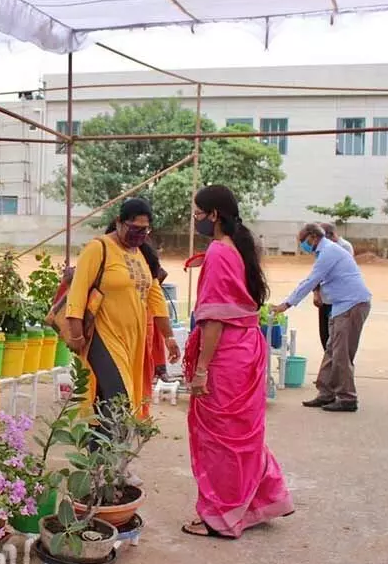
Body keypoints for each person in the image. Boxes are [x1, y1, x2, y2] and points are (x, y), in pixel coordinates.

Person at [181, 184, 294, 539]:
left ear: (214, 215)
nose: (195, 220)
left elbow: (214, 318)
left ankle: (221, 516)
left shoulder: (218, 252)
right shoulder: (241, 248)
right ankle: (258, 500)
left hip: (227, 354)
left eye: (198, 214)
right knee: (243, 434)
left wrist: (201, 370)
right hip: (249, 349)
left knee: (219, 439)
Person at [65, 198, 179, 418]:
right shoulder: (99, 248)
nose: (139, 234)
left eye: (144, 230)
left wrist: (169, 337)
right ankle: (112, 449)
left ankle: (101, 449)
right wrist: (76, 335)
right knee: (119, 395)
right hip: (103, 335)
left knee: (108, 396)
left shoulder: (143, 255)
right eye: (134, 228)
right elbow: (77, 292)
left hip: (133, 340)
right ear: (119, 222)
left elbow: (155, 299)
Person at [274, 223, 372, 412]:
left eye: (303, 241)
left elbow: (311, 280)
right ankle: (326, 393)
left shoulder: (329, 252)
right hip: (341, 305)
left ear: (312, 237)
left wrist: (286, 304)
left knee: (341, 353)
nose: (302, 245)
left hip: (352, 304)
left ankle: (347, 397)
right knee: (331, 351)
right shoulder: (325, 252)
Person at [104, 221, 170, 419]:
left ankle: (137, 416)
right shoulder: (102, 252)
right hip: (110, 329)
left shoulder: (142, 255)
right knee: (118, 377)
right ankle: (124, 418)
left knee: (138, 374)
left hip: (140, 326)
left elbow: (156, 294)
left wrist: (169, 337)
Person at [314, 222, 355, 350]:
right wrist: (316, 293)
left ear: (330, 235)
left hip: (339, 298)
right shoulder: (321, 248)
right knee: (324, 333)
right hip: (325, 297)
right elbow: (317, 273)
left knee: (337, 335)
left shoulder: (344, 247)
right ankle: (329, 363)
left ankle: (335, 364)